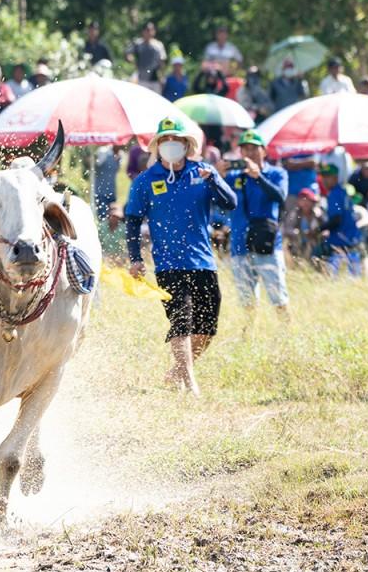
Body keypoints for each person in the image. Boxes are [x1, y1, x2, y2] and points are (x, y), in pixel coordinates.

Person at [123, 117, 237, 393]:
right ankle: (190, 381)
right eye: (165, 140)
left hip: (203, 261)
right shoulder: (146, 181)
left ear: (187, 145)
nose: (171, 145)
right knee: (181, 321)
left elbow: (230, 203)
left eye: (176, 140)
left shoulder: (203, 172)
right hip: (168, 265)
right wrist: (135, 258)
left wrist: (215, 182)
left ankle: (177, 371)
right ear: (158, 146)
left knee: (207, 327)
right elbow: (133, 220)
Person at [226, 130, 288, 312]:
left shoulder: (277, 173)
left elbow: (280, 196)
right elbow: (216, 198)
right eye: (245, 149)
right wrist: (217, 176)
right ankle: (248, 337)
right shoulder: (234, 176)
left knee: (279, 298)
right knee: (247, 302)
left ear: (264, 151)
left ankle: (287, 334)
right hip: (239, 244)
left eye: (254, 148)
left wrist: (258, 177)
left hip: (267, 244)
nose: (249, 153)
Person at [316, 164, 363, 276]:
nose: (324, 180)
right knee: (354, 282)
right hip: (352, 242)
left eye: (328, 177)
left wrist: (318, 229)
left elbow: (336, 220)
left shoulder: (334, 194)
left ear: (335, 178)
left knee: (335, 281)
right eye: (323, 177)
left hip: (342, 244)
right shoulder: (342, 191)